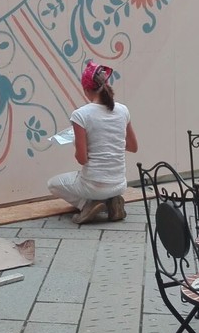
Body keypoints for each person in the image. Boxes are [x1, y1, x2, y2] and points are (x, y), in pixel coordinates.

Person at [48, 61, 139, 224]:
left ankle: (88, 205)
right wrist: (111, 141)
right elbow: (133, 147)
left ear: (86, 90)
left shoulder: (80, 115)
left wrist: (77, 142)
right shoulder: (123, 110)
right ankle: (112, 202)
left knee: (53, 184)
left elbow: (82, 159)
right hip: (119, 184)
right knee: (96, 184)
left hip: (94, 185)